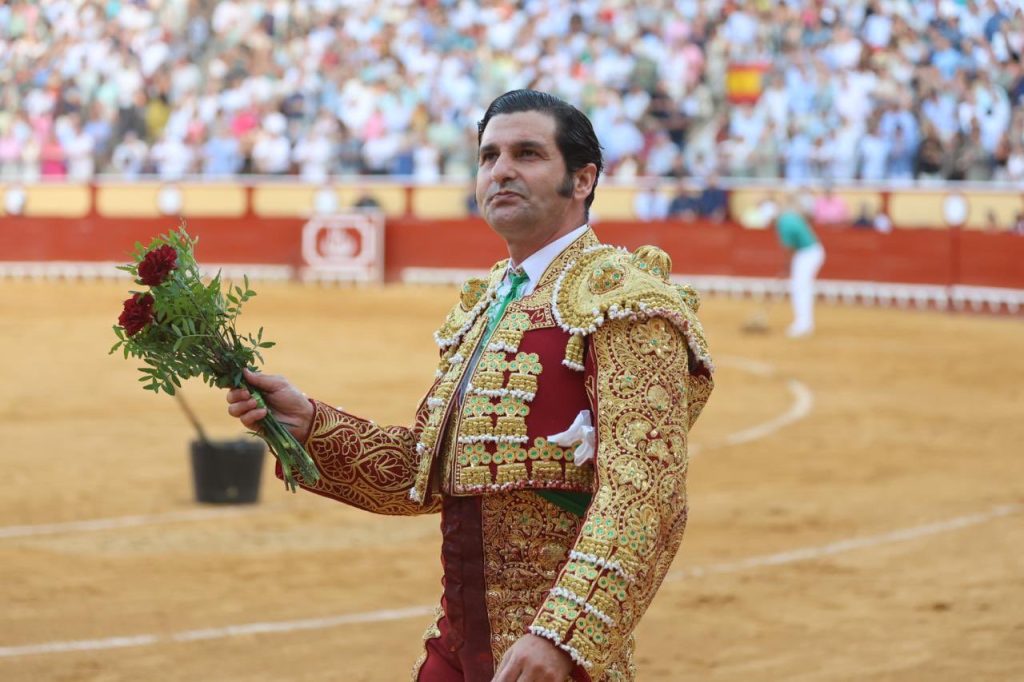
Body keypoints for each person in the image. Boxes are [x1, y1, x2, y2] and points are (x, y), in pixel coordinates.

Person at [226, 90, 714, 682]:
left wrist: (563, 637)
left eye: (527, 153)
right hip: (456, 648)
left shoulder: (625, 303)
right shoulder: (488, 304)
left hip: (550, 656)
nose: (501, 170)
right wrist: (310, 424)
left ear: (582, 179)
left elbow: (645, 494)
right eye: (488, 156)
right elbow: (425, 472)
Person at [775, 195, 825, 338]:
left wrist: (786, 268)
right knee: (801, 287)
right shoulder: (789, 217)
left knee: (800, 288)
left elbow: (788, 248)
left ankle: (803, 324)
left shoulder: (783, 223)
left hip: (807, 253)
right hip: (810, 251)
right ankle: (804, 323)